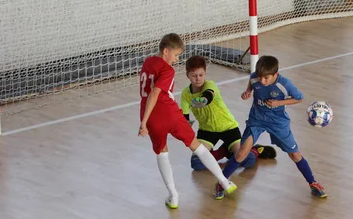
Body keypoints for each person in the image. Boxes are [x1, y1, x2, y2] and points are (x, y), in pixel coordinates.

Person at [138, 33, 237, 209]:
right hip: (169, 113)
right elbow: (156, 93)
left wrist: (144, 122)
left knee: (162, 153)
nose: (176, 60)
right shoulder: (168, 70)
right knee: (196, 146)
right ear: (166, 51)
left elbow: (148, 93)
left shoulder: (147, 62)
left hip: (151, 117)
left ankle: (173, 196)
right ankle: (224, 181)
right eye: (175, 55)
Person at [213, 55, 327, 199]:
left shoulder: (285, 84)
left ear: (276, 75)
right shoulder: (256, 78)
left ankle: (313, 183)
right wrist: (248, 91)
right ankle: (221, 183)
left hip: (278, 122)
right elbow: (252, 80)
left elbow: (299, 98)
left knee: (294, 154)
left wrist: (278, 103)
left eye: (266, 78)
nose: (262, 81)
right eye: (260, 77)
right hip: (257, 120)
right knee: (241, 153)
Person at [180, 55, 276, 172]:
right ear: (187, 76)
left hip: (228, 128)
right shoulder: (185, 94)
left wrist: (204, 100)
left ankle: (255, 150)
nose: (198, 79)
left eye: (201, 75)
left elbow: (209, 94)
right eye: (194, 76)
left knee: (247, 161)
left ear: (205, 73)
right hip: (206, 131)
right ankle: (224, 151)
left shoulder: (210, 85)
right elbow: (184, 117)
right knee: (196, 163)